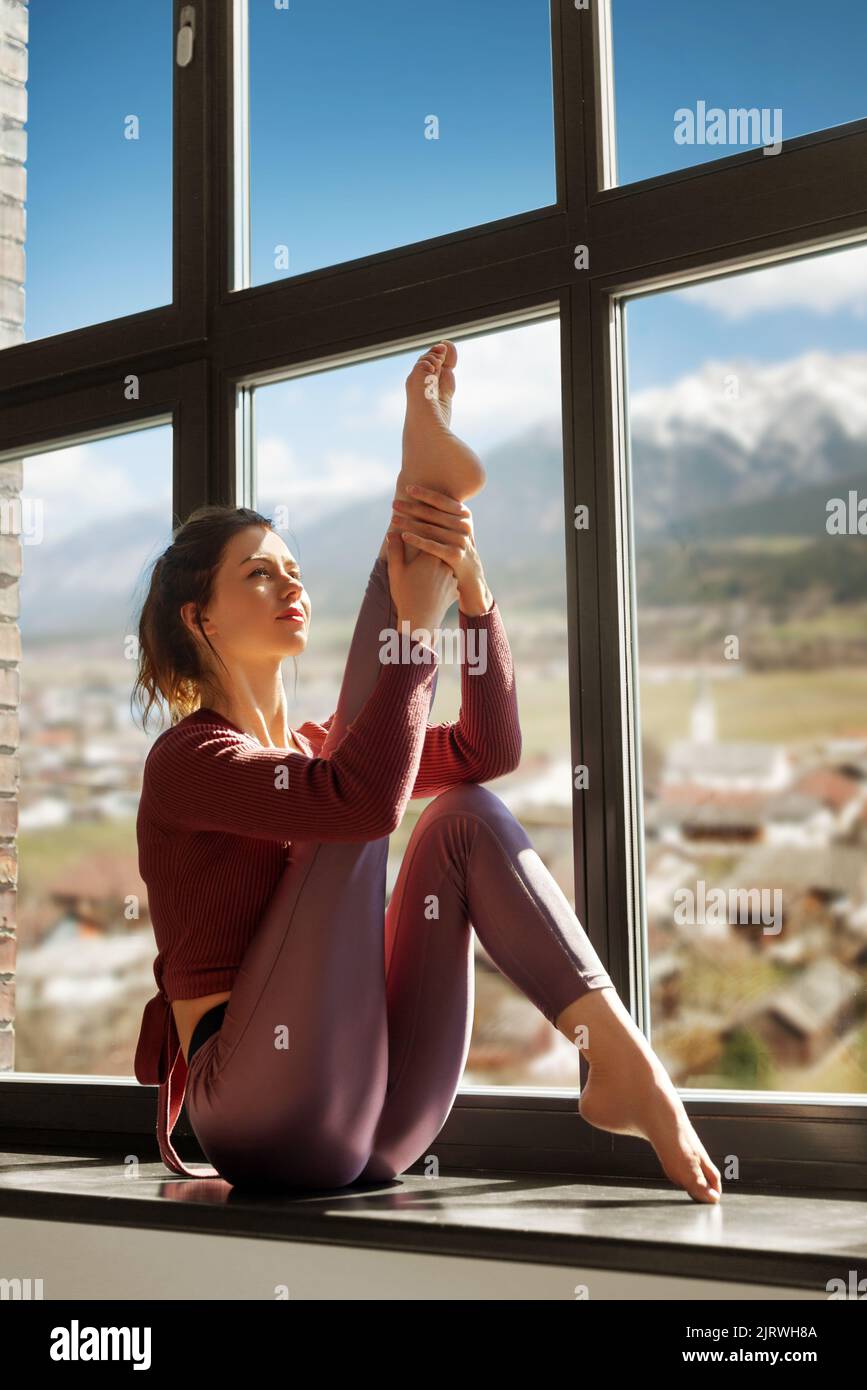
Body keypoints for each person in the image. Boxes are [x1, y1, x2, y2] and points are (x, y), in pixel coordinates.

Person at [131, 342, 722, 1202]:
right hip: (258, 1109)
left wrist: (472, 597)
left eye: (294, 571)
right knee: (353, 797)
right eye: (258, 574)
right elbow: (362, 801)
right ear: (202, 619)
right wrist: (411, 635)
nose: (289, 585)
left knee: (462, 815)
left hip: (378, 1122)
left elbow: (488, 753)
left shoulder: (314, 749)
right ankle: (416, 492)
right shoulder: (188, 761)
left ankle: (619, 1064)